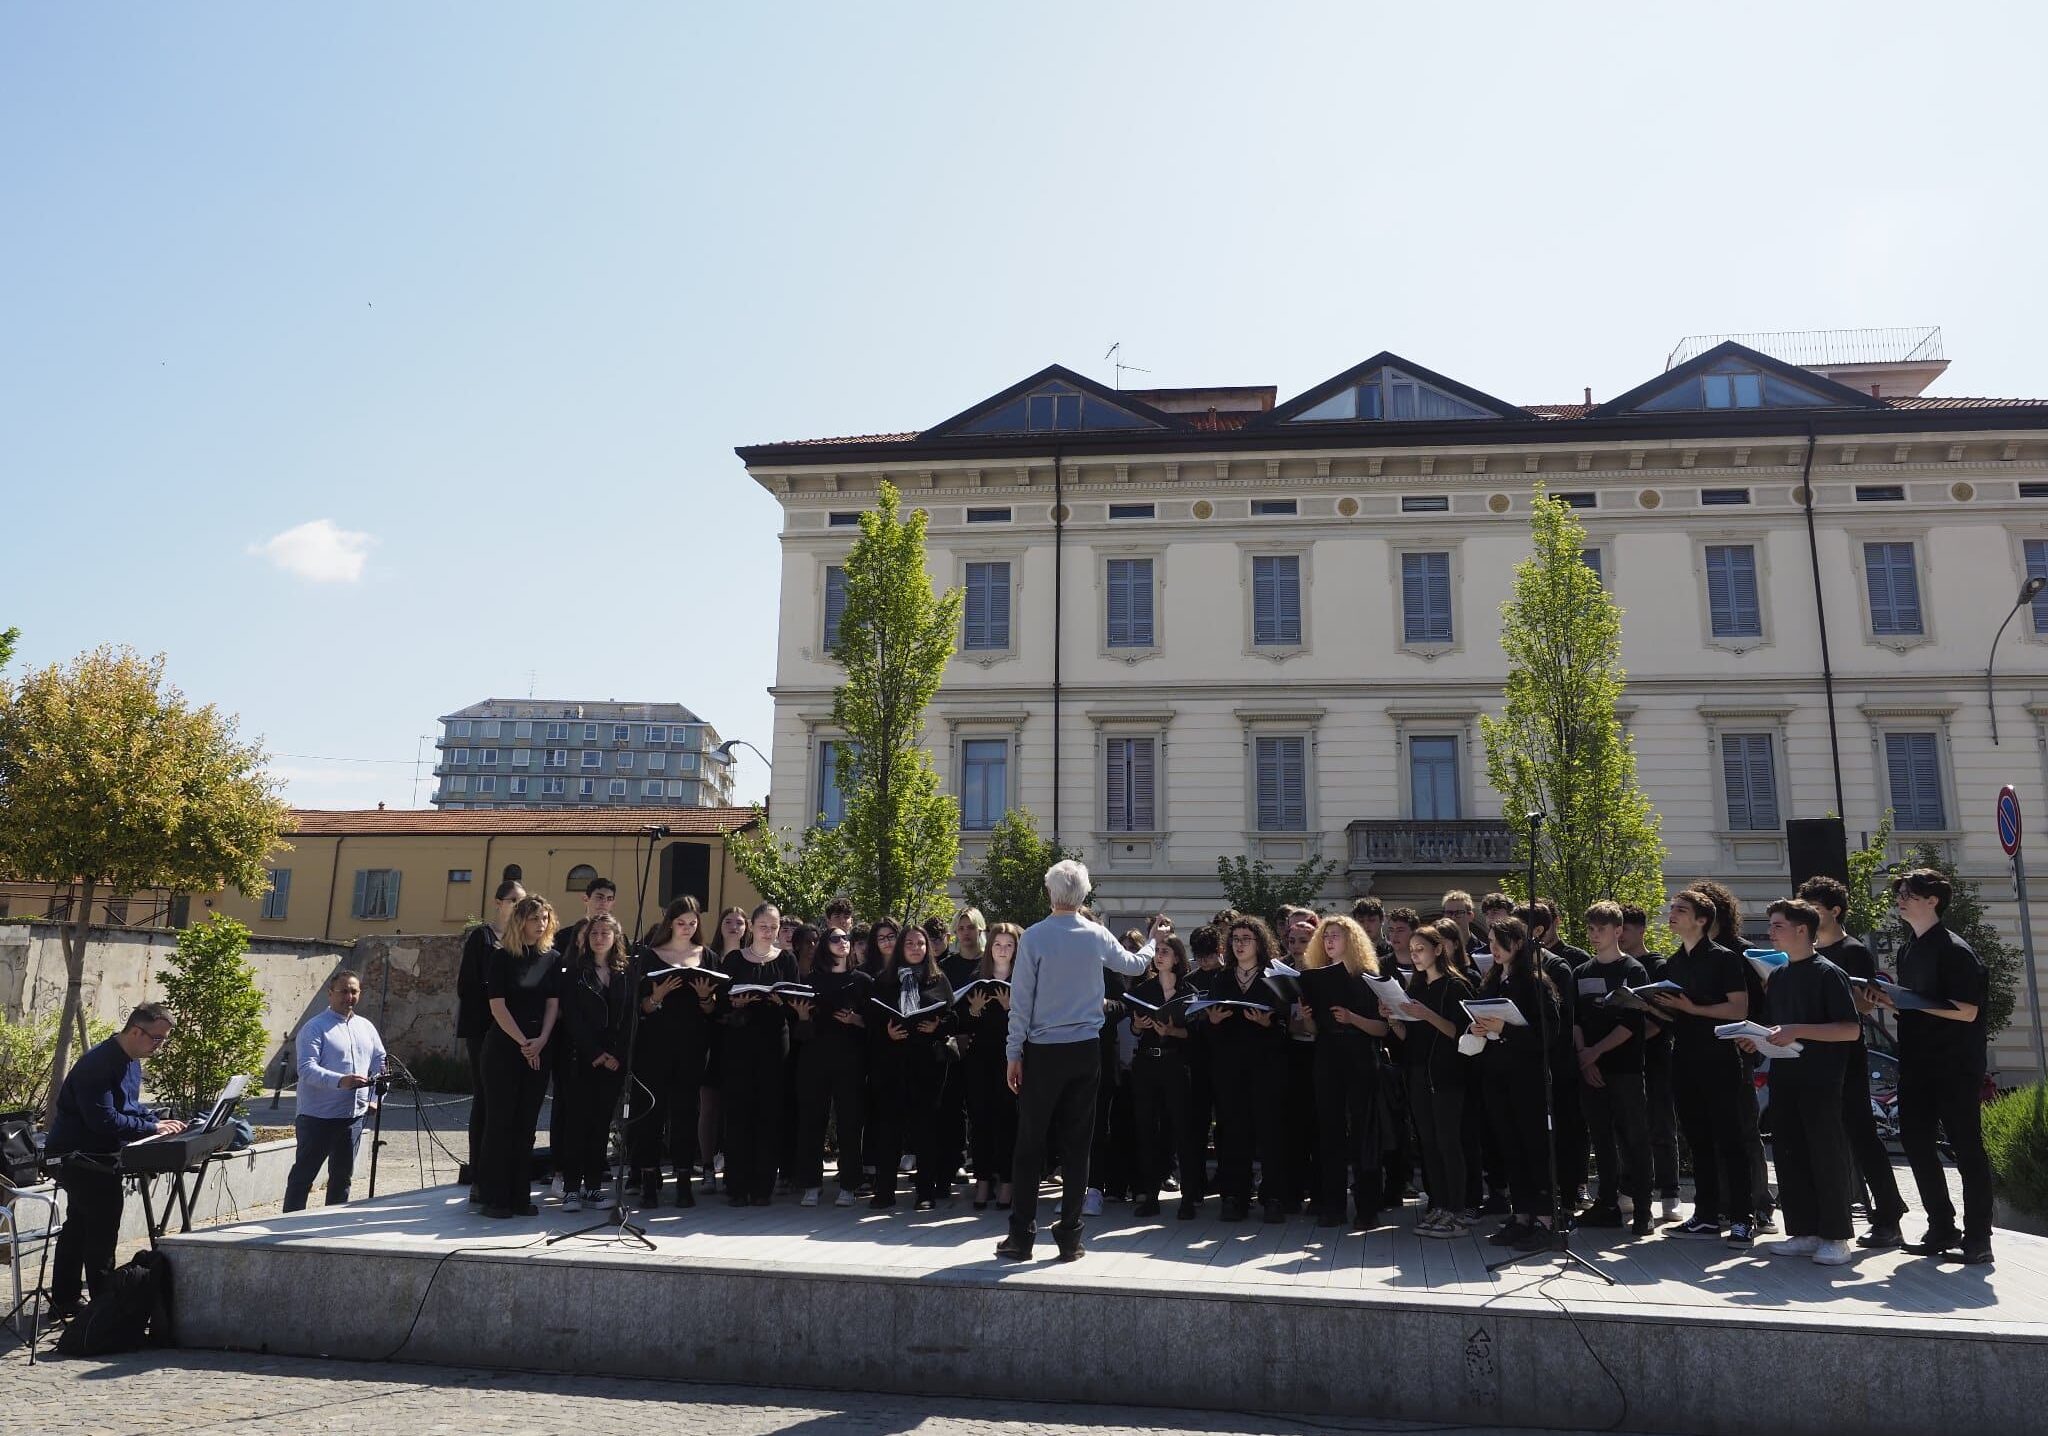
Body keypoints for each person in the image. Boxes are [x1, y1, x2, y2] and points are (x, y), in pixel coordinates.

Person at [996, 859, 1153, 1262]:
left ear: (1051, 893)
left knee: (1030, 1144)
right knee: (1078, 1145)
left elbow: (1022, 1003)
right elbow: (1134, 965)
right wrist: (1153, 940)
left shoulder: (1034, 937)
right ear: (1084, 895)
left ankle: (1021, 1236)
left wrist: (1014, 1052)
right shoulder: (1096, 934)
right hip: (1085, 1049)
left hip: (1044, 1051)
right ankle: (1070, 1236)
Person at [1876, 868, 1994, 1265]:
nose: (1901, 899)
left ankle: (1979, 1237)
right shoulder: (1909, 948)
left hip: (1955, 1066)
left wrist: (1910, 1001)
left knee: (1966, 1149)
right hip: (1917, 1063)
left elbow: (1967, 1011)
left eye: (1909, 893)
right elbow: (1918, 1002)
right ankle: (1942, 1225)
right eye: (1900, 893)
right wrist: (1890, 1001)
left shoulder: (1955, 950)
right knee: (1915, 1143)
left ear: (1933, 901)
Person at [1740, 899, 1862, 1266]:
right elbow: (1772, 1026)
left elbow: (1850, 1029)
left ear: (1801, 930)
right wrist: (1753, 1038)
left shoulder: (1829, 973)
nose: (1770, 931)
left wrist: (1797, 1030)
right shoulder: (1778, 976)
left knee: (1825, 1155)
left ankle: (1836, 1236)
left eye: (1777, 925)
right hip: (1785, 1076)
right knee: (1791, 1154)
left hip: (1821, 1080)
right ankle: (1804, 1231)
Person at [46, 1004, 186, 1317]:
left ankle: (65, 1299)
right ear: (136, 1031)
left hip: (98, 1155)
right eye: (157, 1039)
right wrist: (151, 1128)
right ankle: (102, 1306)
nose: (159, 1046)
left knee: (80, 1225)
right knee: (101, 1224)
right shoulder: (98, 1065)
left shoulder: (131, 1061)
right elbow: (104, 1120)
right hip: (76, 1157)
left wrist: (158, 1120)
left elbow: (129, 1108)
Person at [1798, 873, 1910, 1248]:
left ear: (1835, 911)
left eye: (1815, 910)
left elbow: (1866, 1004)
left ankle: (1889, 1214)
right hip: (1810, 1052)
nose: (1809, 917)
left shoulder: (1852, 950)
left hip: (1846, 1051)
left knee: (1861, 1133)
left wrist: (1839, 993)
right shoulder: (1805, 952)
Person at [1647, 888, 1756, 1247]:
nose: (1672, 914)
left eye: (1681, 909)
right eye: (1672, 908)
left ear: (1702, 919)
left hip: (1720, 1060)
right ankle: (1706, 1214)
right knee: (1698, 1140)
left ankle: (1742, 1217)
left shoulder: (1724, 959)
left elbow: (1738, 1009)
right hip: (1684, 1058)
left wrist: (1693, 1010)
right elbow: (1672, 1014)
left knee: (1731, 1140)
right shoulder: (1671, 964)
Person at [1467, 916, 1561, 1253]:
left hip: (1527, 1079)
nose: (1491, 948)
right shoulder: (1492, 979)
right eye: (1489, 941)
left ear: (1517, 944)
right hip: (1496, 1075)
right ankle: (1521, 1216)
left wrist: (1505, 1029)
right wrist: (1480, 1028)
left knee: (1533, 1147)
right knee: (1509, 1147)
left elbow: (1548, 1035)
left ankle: (1547, 1220)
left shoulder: (1534, 982)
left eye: (1498, 942)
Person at [1692, 877, 1777, 1230]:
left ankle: (1758, 1204)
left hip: (1737, 1052)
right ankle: (1721, 1204)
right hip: (1702, 1053)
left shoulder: (1741, 952)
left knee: (1743, 1130)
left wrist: (1753, 1038)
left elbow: (1762, 1004)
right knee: (1711, 1133)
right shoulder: (1692, 954)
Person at [1381, 922, 1475, 1237]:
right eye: (1412, 951)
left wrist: (1427, 1015)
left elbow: (1458, 1032)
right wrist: (1393, 1017)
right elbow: (1406, 1036)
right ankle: (1439, 1205)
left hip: (1447, 1075)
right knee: (1429, 1143)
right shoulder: (1415, 987)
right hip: (1418, 1072)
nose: (1416, 956)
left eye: (1421, 950)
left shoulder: (1455, 986)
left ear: (1438, 950)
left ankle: (1458, 1210)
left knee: (1449, 1142)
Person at [1201, 914, 1294, 1225]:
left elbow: (1285, 1025)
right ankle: (1235, 1196)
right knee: (1233, 1131)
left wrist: (1269, 1024)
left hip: (1266, 1065)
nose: (1239, 945)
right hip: (1230, 1066)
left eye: (1246, 939)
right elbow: (1210, 1022)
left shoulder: (1272, 977)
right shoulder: (1222, 979)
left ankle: (1274, 1196)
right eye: (1235, 940)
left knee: (1271, 1132)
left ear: (1260, 943)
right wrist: (1212, 1022)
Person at [1300, 914, 1391, 1229]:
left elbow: (1382, 1029)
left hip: (1359, 1055)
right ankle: (1333, 1204)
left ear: (1351, 940)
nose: (1328, 941)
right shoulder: (1314, 976)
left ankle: (1368, 1207)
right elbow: (1313, 1029)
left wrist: (1353, 1018)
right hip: (1327, 1054)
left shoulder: (1367, 977)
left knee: (1363, 1133)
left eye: (1335, 935)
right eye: (1325, 936)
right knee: (1329, 1132)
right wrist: (1307, 1016)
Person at [1571, 902, 1652, 1236]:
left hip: (1626, 1069)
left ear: (1618, 931)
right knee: (1601, 1139)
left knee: (1634, 1138)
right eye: (1590, 929)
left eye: (1600, 929)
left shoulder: (1633, 971)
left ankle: (1644, 1209)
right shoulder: (1581, 972)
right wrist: (1583, 1056)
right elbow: (1575, 1019)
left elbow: (1632, 1023)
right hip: (1591, 1069)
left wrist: (1594, 1053)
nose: (1594, 935)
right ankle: (1606, 1204)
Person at [480, 895, 563, 1218]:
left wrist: (540, 1040)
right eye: (534, 919)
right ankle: (494, 1196)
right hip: (504, 1048)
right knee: (501, 1122)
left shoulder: (552, 958)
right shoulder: (501, 958)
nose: (540, 924)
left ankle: (519, 1195)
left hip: (538, 1048)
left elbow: (553, 1004)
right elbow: (497, 1006)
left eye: (544, 918)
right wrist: (523, 1042)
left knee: (526, 1125)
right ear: (520, 921)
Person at [630, 896, 716, 1208]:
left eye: (692, 923)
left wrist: (706, 998)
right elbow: (639, 1007)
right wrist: (657, 996)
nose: (687, 928)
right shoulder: (648, 956)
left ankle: (682, 1180)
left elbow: (713, 1011)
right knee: (650, 1113)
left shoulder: (707, 956)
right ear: (670, 923)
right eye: (681, 923)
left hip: (692, 1046)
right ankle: (648, 1180)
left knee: (685, 1113)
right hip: (654, 1048)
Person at [868, 922, 957, 1210]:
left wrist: (938, 1025)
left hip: (927, 1062)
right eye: (910, 944)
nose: (916, 948)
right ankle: (884, 1191)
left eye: (920, 944)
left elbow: (954, 1017)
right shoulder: (884, 979)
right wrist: (886, 1033)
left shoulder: (937, 979)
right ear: (900, 948)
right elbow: (871, 1021)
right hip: (893, 1062)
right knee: (889, 1129)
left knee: (925, 1129)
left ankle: (925, 1193)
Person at [284, 971, 387, 1213]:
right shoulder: (315, 1027)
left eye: (354, 991)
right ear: (330, 994)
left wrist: (375, 1098)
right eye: (343, 991)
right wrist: (341, 1081)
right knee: (303, 1177)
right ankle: (287, 1226)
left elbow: (381, 1062)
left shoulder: (366, 1027)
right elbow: (307, 1070)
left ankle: (330, 1225)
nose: (349, 997)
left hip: (353, 1117)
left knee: (342, 1178)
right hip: (318, 1116)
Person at [718, 902, 800, 1206]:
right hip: (739, 1042)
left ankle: (763, 1185)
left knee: (769, 1113)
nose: (768, 931)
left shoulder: (787, 960)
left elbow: (797, 1004)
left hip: (774, 1042)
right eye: (763, 926)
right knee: (739, 1113)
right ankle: (737, 1185)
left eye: (774, 926)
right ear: (752, 927)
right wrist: (735, 1003)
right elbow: (720, 1002)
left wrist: (783, 1003)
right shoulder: (736, 960)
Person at [791, 925, 871, 1207]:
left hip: (850, 1059)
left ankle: (849, 1184)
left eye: (846, 938)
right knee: (812, 1121)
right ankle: (810, 1184)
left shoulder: (862, 981)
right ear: (825, 945)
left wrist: (855, 1020)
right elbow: (800, 1033)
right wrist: (802, 1016)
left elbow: (872, 1024)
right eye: (835, 938)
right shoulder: (810, 981)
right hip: (815, 1057)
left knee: (850, 1122)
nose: (843, 942)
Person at [559, 914, 633, 1211]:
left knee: (601, 1125)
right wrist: (595, 1053)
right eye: (595, 933)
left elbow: (629, 1018)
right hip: (582, 1059)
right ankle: (572, 1188)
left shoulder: (626, 973)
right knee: (577, 1123)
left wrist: (618, 1054)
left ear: (616, 938)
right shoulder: (575, 972)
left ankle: (593, 1186)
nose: (599, 938)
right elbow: (572, 1017)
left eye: (605, 933)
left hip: (613, 1061)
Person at [456, 879, 522, 1207]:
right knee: (484, 1098)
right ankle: (479, 1173)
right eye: (514, 900)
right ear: (499, 902)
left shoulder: (522, 942)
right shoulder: (481, 938)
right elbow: (467, 986)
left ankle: (504, 1168)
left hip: (513, 1031)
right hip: (485, 1029)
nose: (518, 906)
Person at [1126, 933, 1201, 1220]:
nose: (1159, 956)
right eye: (1157, 951)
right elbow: (1134, 1031)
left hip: (1176, 1065)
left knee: (1182, 1130)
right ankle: (1150, 1196)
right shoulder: (1143, 989)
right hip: (1146, 1064)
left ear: (1178, 957)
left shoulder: (1190, 991)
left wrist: (1170, 1032)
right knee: (1146, 1129)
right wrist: (1137, 1024)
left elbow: (1194, 1034)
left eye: (1166, 951)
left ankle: (1188, 1199)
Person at [1621, 902, 1682, 1221]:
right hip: (1623, 1060)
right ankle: (1629, 1187)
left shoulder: (1658, 965)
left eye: (1626, 929)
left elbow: (1665, 1015)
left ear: (1641, 929)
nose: (1620, 936)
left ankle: (1670, 1192)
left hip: (1655, 1055)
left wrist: (1630, 1038)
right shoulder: (1614, 964)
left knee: (1661, 1124)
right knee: (1629, 1128)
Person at [962, 921, 1020, 1211]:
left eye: (1008, 945)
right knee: (981, 1120)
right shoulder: (978, 977)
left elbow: (1029, 1023)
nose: (1002, 950)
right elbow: (963, 1020)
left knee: (1007, 1121)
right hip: (980, 1058)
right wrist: (972, 1012)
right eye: (998, 944)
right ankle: (983, 1180)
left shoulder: (1024, 979)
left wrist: (1010, 1009)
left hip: (1010, 1059)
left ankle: (1007, 1182)